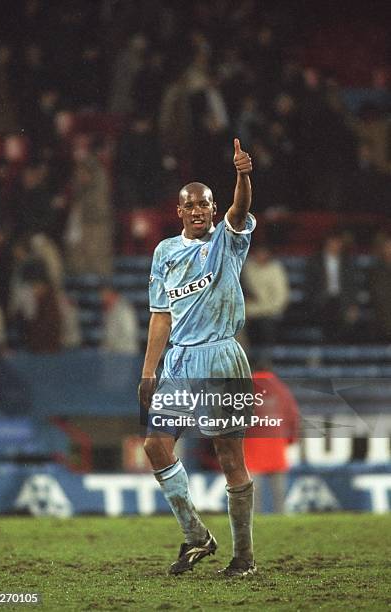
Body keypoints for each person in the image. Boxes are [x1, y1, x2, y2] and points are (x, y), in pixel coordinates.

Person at [139, 139, 257, 577]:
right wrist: (148, 371)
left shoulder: (228, 240)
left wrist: (242, 176)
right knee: (155, 444)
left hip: (221, 358)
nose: (199, 211)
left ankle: (243, 557)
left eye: (206, 204)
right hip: (178, 363)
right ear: (180, 211)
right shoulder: (165, 253)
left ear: (212, 208)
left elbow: (240, 209)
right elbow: (159, 315)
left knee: (229, 457)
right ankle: (196, 537)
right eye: (191, 206)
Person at [244, 363, 299, 514]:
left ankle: (254, 521)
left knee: (253, 491)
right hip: (276, 447)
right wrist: (291, 440)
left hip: (252, 447)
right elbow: (292, 416)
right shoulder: (281, 389)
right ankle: (281, 516)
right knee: (279, 491)